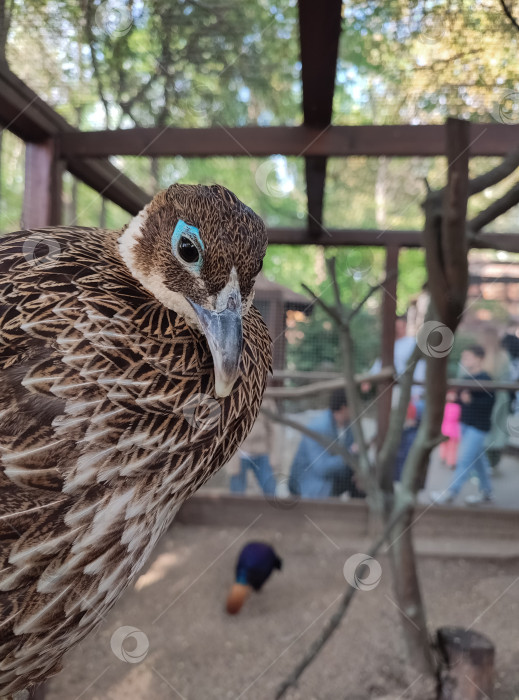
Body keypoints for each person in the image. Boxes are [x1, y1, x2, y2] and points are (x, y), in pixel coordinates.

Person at [431, 346, 495, 505]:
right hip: (465, 425)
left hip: (478, 427)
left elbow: (490, 403)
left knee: (464, 461)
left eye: (468, 357)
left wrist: (471, 401)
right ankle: (487, 491)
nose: (465, 360)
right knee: (478, 461)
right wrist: (457, 398)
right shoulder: (466, 378)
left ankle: (450, 493)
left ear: (479, 358)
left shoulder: (486, 378)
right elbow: (462, 399)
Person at [288, 389, 364, 499]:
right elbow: (322, 468)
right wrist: (350, 453)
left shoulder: (349, 427)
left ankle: (359, 515)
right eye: (354, 406)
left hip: (333, 477)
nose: (357, 410)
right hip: (311, 483)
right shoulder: (317, 428)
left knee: (362, 484)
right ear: (343, 408)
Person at [228, 399, 277, 496]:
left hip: (261, 452)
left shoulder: (267, 403)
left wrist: (273, 456)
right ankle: (236, 510)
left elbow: (273, 431)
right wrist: (231, 459)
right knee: (237, 491)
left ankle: (272, 510)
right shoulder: (234, 400)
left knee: (270, 488)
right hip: (239, 453)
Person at [479, 326, 512, 468]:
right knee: (490, 430)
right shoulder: (483, 354)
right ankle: (488, 463)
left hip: (495, 399)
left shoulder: (502, 356)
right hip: (491, 398)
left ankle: (490, 463)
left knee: (493, 430)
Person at [440, 390, 461, 469]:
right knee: (451, 448)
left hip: (445, 430)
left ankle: (444, 458)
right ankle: (451, 462)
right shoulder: (457, 407)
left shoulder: (444, 406)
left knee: (445, 446)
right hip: (452, 431)